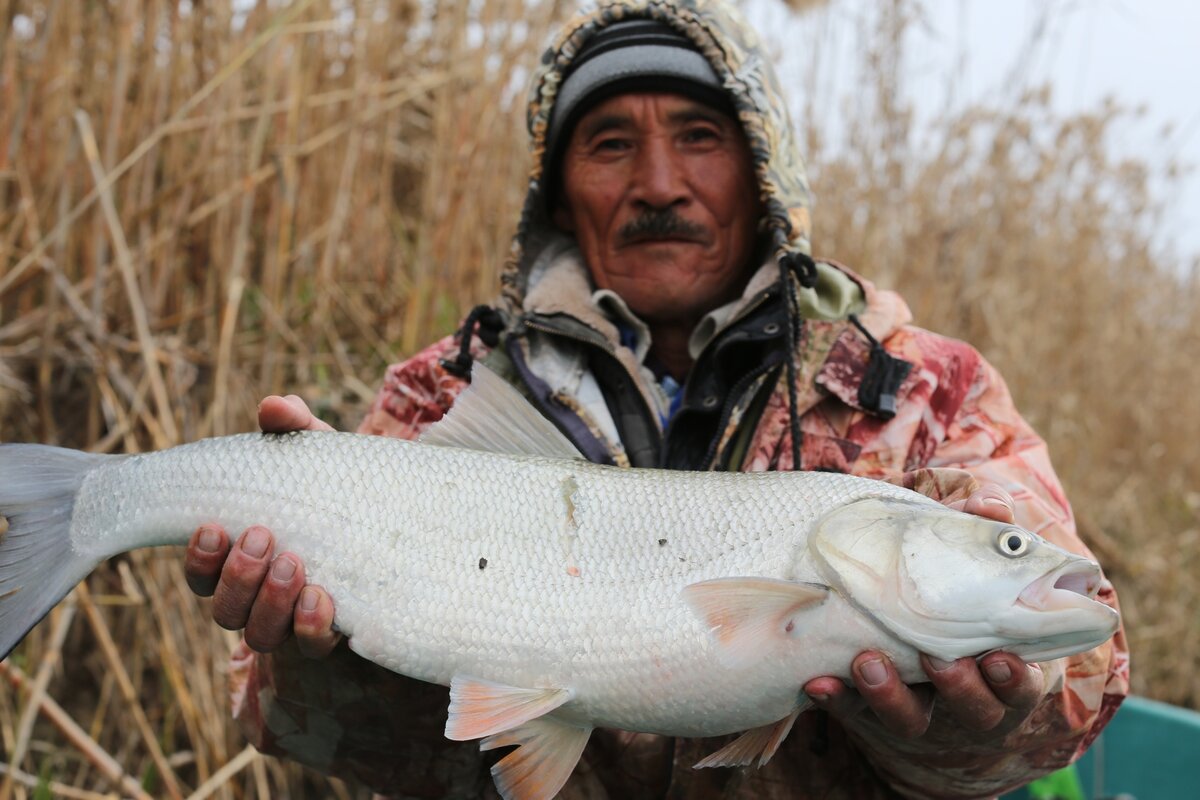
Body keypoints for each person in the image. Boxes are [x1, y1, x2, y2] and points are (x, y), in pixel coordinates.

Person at [184, 2, 1129, 797]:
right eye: (609, 144)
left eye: (700, 137)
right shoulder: (440, 396)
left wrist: (958, 734)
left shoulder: (928, 391)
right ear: (557, 195)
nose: (659, 184)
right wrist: (318, 646)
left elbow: (1083, 680)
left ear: (764, 176)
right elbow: (280, 718)